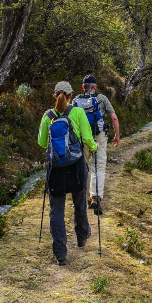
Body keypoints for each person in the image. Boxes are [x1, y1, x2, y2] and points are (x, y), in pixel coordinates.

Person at [37, 80, 97, 266]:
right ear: (71, 96)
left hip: (55, 169)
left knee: (56, 210)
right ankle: (81, 237)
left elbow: (41, 143)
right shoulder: (78, 112)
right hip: (76, 166)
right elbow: (87, 139)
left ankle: (60, 254)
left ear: (55, 95)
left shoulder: (48, 116)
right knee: (79, 203)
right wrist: (95, 146)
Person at [76, 74, 120, 216]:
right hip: (99, 135)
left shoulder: (76, 100)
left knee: (86, 166)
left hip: (83, 137)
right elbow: (113, 117)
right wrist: (117, 135)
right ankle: (96, 196)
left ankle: (86, 199)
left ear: (83, 87)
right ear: (95, 87)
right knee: (98, 166)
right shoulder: (101, 98)